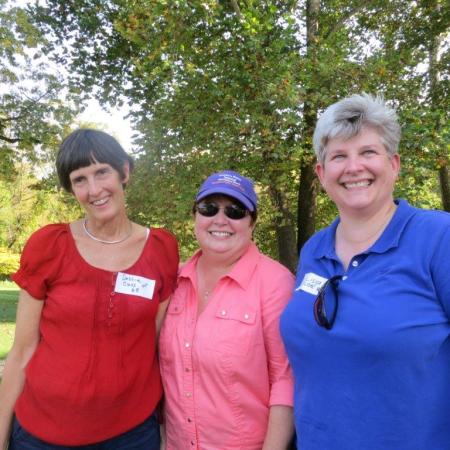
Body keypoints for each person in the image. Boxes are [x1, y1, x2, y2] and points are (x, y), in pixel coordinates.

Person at [280, 94, 450, 450]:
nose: (354, 167)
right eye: (339, 156)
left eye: (368, 152)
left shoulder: (438, 238)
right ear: (322, 174)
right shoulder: (314, 249)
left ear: (394, 164)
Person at [0, 129, 179, 449]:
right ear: (71, 189)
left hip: (131, 434)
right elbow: (22, 351)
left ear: (124, 171)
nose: (94, 189)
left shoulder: (161, 249)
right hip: (42, 434)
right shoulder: (49, 246)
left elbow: (155, 343)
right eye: (79, 179)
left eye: (101, 172)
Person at [159, 170, 295, 450]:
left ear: (252, 223)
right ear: (195, 216)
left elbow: (285, 380)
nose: (220, 220)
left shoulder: (275, 283)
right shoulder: (173, 280)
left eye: (235, 211)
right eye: (209, 208)